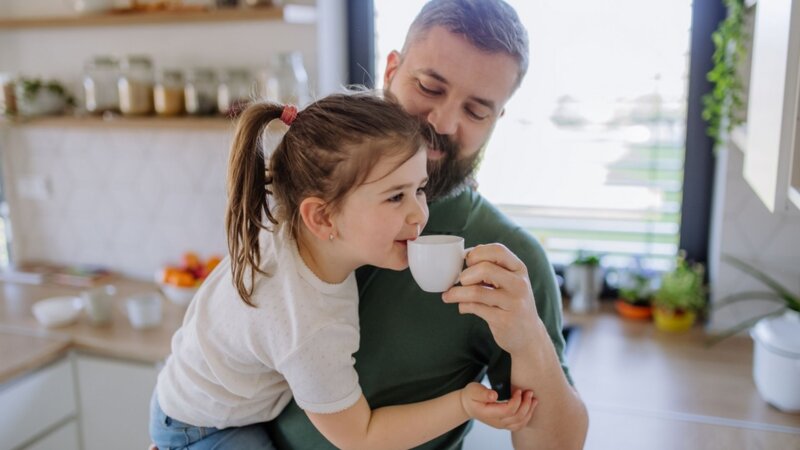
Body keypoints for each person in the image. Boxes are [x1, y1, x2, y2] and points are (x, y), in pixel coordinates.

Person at [267, 1, 589, 449]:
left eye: (476, 111)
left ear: (497, 121)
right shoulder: (308, 187)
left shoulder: (509, 261)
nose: (444, 123)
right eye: (429, 87)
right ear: (391, 71)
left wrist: (529, 340)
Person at [149, 92, 538, 450]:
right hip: (200, 426)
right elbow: (362, 437)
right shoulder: (308, 324)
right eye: (395, 196)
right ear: (321, 218)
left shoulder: (292, 224)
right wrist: (463, 404)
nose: (419, 214)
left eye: (419, 189)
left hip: (186, 392)